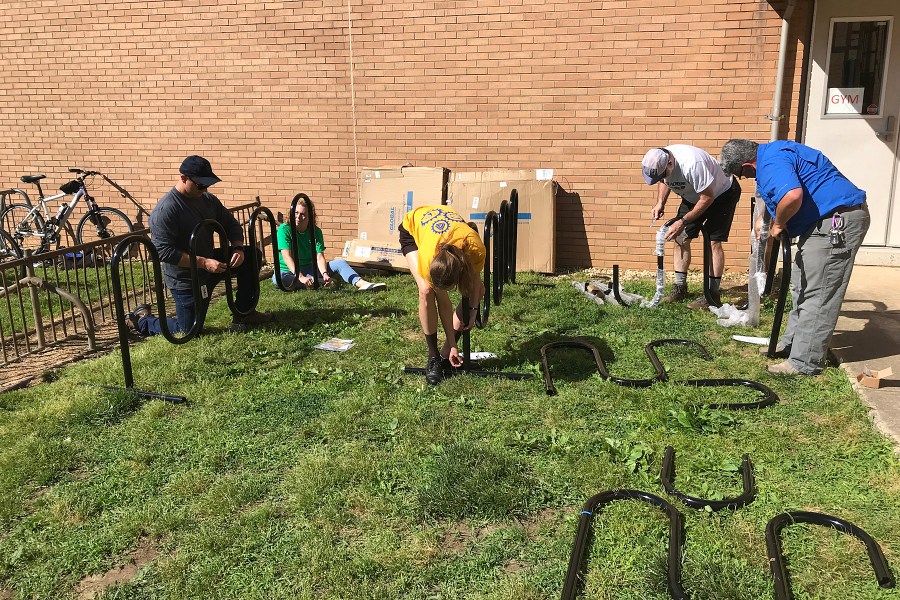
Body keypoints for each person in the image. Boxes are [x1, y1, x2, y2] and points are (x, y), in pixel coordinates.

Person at [719, 139, 869, 376]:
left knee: (818, 294)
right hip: (821, 223)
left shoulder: (770, 162)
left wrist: (778, 223)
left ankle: (805, 362)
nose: (744, 179)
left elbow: (791, 195)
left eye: (741, 174)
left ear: (748, 164)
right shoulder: (773, 154)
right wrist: (766, 218)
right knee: (802, 288)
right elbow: (783, 192)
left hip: (835, 223)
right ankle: (792, 344)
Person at [127, 155, 273, 336]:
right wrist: (204, 262)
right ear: (183, 178)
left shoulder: (208, 200)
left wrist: (237, 248)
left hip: (211, 264)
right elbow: (164, 252)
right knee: (188, 330)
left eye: (208, 184)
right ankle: (142, 320)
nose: (205, 189)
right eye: (200, 185)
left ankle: (244, 312)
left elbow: (231, 224)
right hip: (185, 278)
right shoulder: (166, 211)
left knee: (252, 256)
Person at [641, 145, 742, 308]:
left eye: (664, 173)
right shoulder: (660, 159)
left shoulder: (693, 164)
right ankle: (680, 287)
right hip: (694, 196)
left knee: (712, 241)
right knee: (680, 237)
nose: (662, 178)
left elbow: (707, 197)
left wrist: (682, 222)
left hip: (721, 194)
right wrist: (660, 202)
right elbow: (664, 180)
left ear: (670, 163)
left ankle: (712, 295)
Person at [399, 205, 486, 385]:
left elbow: (476, 283)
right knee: (426, 291)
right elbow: (444, 303)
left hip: (453, 230)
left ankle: (446, 353)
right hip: (414, 229)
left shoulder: (475, 249)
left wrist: (473, 308)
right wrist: (455, 343)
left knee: (479, 291)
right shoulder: (429, 257)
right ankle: (434, 357)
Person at [273, 199, 386, 291]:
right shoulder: (285, 229)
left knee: (340, 262)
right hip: (288, 271)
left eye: (303, 214)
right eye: (296, 213)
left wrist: (325, 273)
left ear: (310, 217)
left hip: (310, 268)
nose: (298, 217)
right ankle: (314, 281)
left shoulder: (316, 232)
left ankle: (362, 284)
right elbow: (286, 256)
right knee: (278, 279)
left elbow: (319, 256)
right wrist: (300, 277)